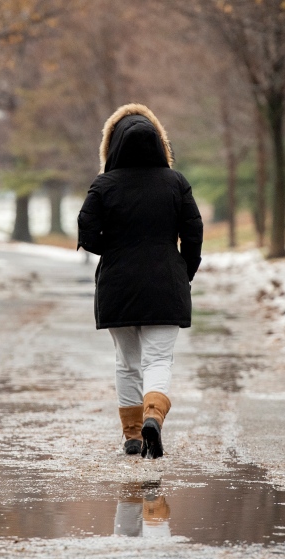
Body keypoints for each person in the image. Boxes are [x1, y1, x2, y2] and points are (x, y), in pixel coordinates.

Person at [77, 103, 203, 459]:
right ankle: (153, 415)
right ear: (161, 146)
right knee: (158, 361)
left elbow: (86, 232)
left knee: (127, 363)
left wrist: (113, 248)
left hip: (118, 286)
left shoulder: (103, 185)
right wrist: (184, 272)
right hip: (166, 283)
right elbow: (194, 233)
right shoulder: (176, 183)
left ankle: (132, 435)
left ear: (111, 146)